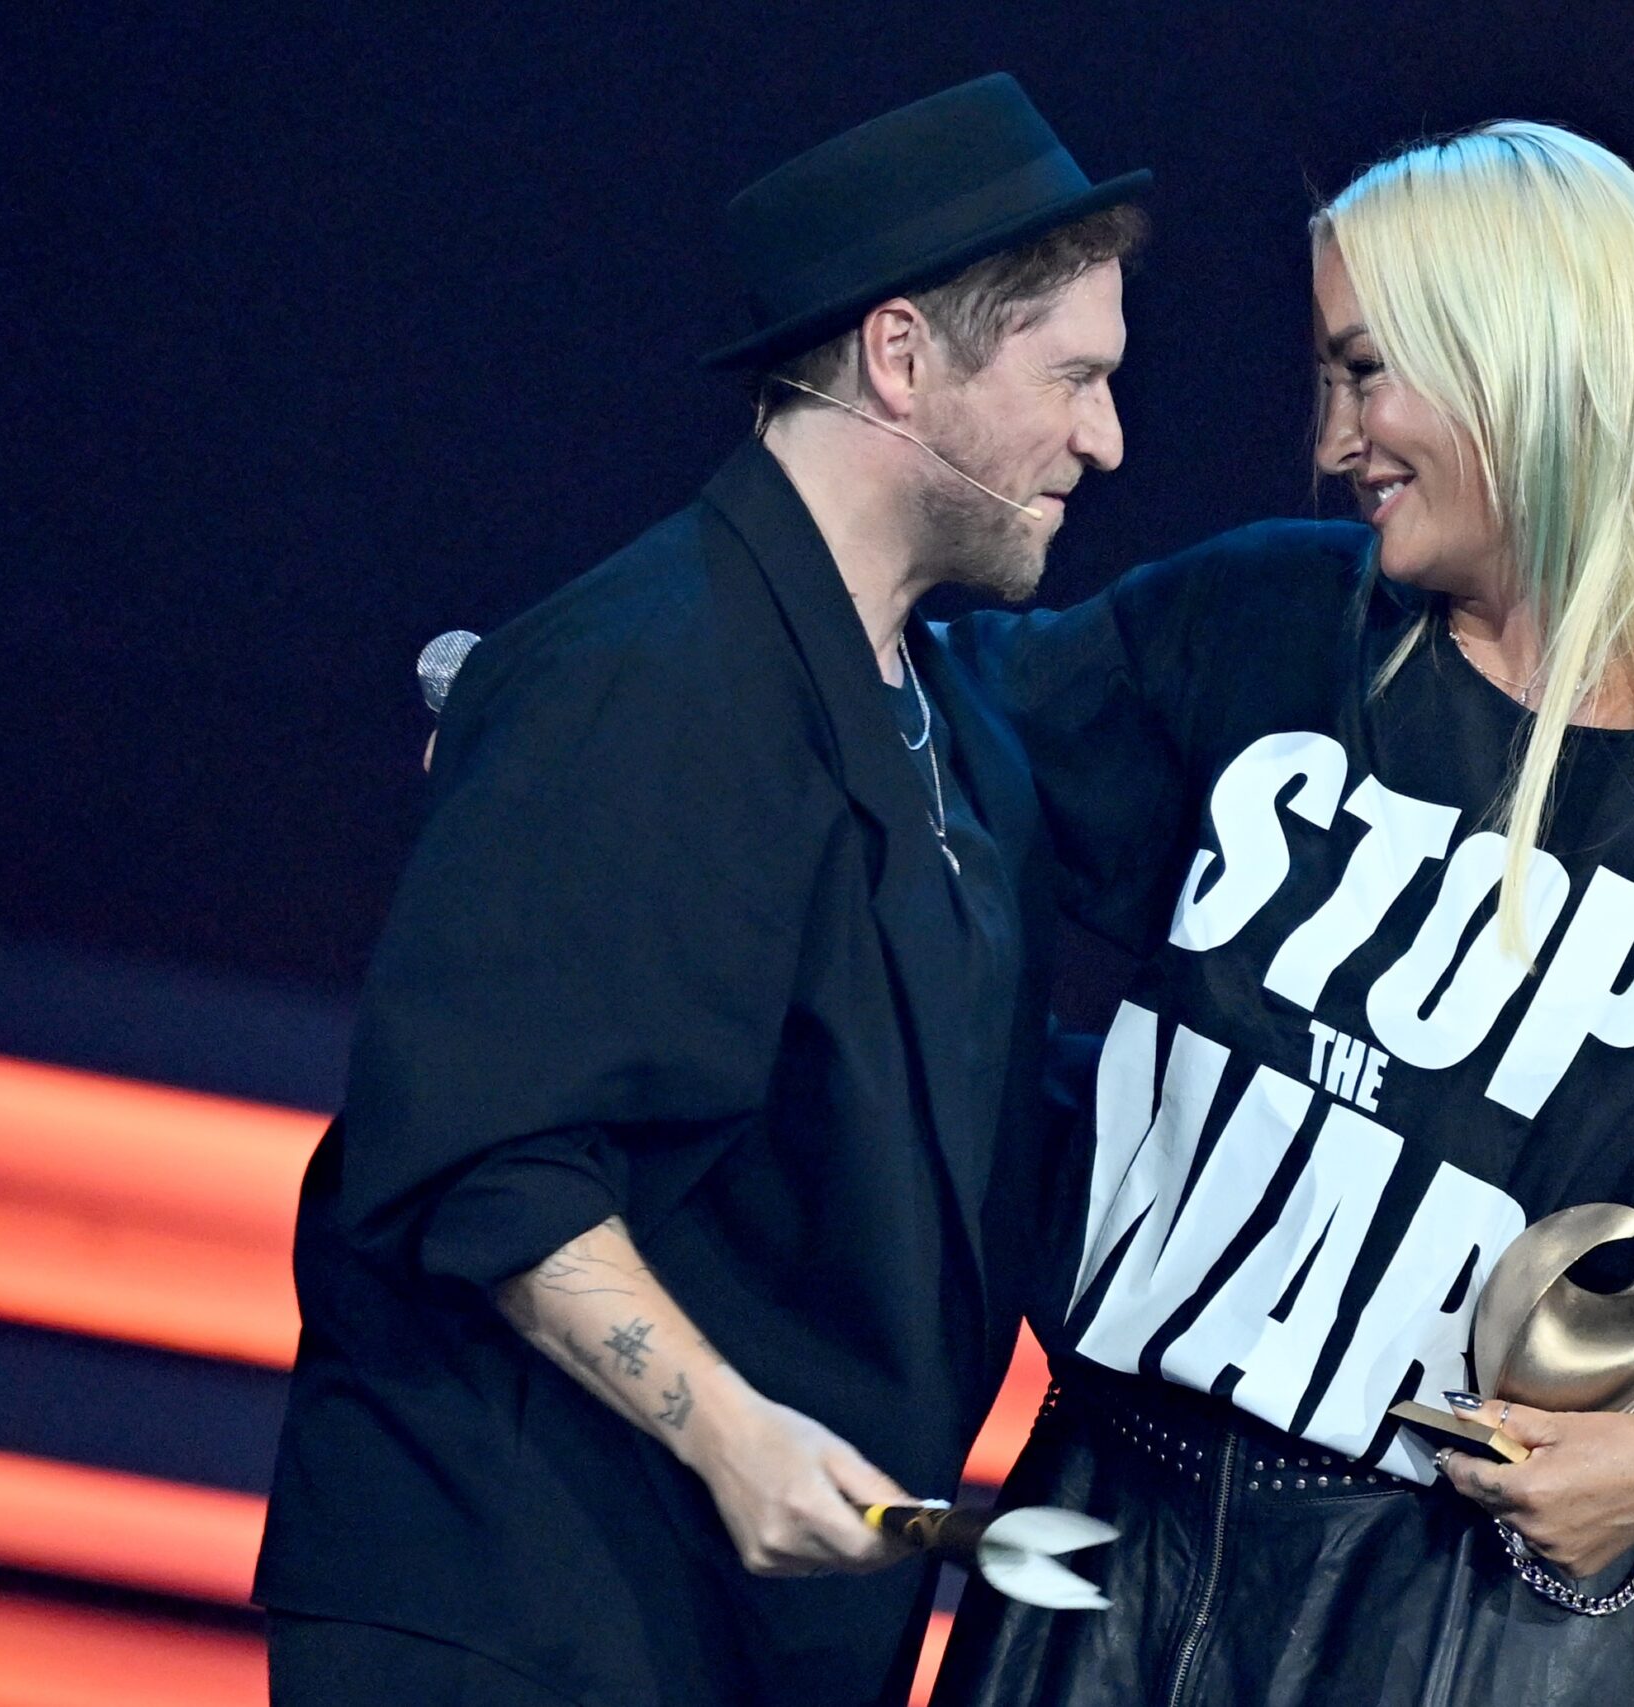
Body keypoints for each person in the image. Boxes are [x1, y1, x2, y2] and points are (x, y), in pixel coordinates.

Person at [931, 122, 1634, 1705]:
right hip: (1109, 1531)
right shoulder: (1269, 621)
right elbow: (921, 731)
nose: (1335, 438)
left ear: (1526, 367)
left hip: (1465, 1607)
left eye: (1368, 373)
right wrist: (586, 710)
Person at [253, 75, 1146, 1707]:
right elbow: (488, 1155)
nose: (1105, 436)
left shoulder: (955, 732)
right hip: (519, 1612)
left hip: (739, 1646)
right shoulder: (638, 669)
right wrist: (732, 1436)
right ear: (899, 357)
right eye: (1071, 376)